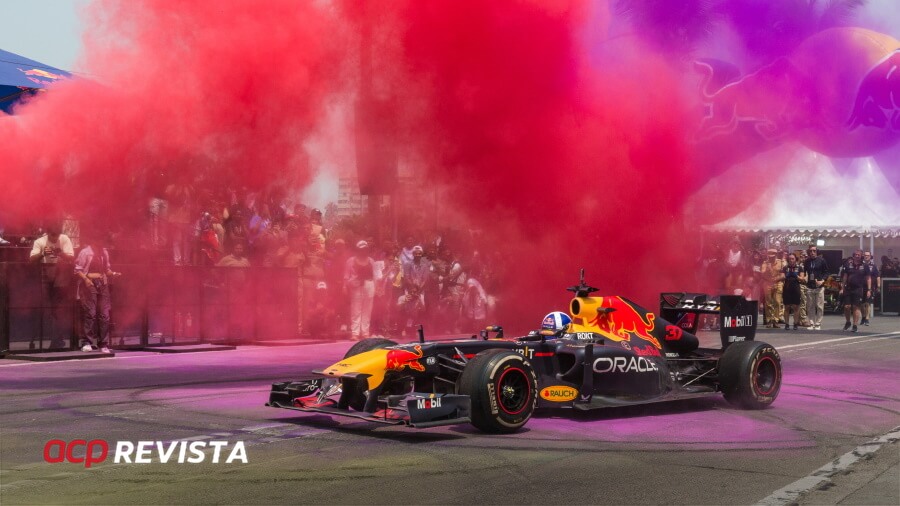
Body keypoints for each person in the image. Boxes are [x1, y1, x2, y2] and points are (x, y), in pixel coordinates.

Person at [30, 223, 76, 349]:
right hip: (46, 273)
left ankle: (57, 339)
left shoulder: (64, 239)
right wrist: (43, 253)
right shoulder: (40, 241)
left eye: (57, 236)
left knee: (58, 309)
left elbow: (71, 257)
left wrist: (60, 253)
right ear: (48, 233)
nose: (55, 239)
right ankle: (52, 338)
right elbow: (32, 259)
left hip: (61, 274)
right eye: (52, 236)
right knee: (48, 309)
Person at [74, 235, 120, 353]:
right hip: (90, 284)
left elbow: (106, 269)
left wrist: (113, 273)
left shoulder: (104, 252)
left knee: (104, 315)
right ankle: (87, 342)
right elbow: (77, 269)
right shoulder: (86, 252)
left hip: (102, 284)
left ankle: (103, 343)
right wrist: (86, 280)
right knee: (90, 313)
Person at [344, 240, 377, 340]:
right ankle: (355, 333)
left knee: (367, 310)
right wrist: (345, 286)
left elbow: (375, 275)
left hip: (369, 285)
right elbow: (346, 275)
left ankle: (365, 332)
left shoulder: (371, 261)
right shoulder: (351, 261)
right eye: (361, 250)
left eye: (365, 249)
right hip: (356, 285)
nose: (363, 251)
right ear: (358, 250)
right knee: (355, 310)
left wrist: (376, 288)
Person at [840, 250, 872, 333]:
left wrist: (869, 290)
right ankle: (848, 322)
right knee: (847, 307)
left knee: (856, 307)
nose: (857, 256)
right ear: (853, 255)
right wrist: (842, 288)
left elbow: (868, 278)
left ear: (861, 256)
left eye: (859, 255)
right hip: (848, 288)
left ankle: (855, 325)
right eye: (855, 254)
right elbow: (845, 276)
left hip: (858, 289)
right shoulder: (848, 264)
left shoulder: (865, 266)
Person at [803, 244, 829, 330]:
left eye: (814, 251)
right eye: (810, 251)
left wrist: (822, 281)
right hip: (810, 286)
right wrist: (805, 278)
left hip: (819, 286)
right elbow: (805, 272)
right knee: (810, 306)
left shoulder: (822, 260)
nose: (812, 252)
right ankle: (811, 323)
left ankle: (818, 323)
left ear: (817, 252)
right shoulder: (807, 261)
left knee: (819, 306)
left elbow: (826, 272)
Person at [779, 253, 805, 330]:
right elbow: (781, 277)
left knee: (796, 307)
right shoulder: (785, 268)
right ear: (788, 260)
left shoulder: (800, 268)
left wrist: (795, 275)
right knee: (786, 307)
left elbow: (802, 278)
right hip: (787, 288)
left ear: (795, 259)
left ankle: (795, 324)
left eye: (792, 258)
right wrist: (785, 276)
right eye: (790, 259)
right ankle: (787, 324)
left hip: (796, 288)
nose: (791, 260)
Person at [760, 248, 785, 328]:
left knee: (777, 302)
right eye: (770, 256)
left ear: (776, 255)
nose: (771, 258)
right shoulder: (765, 263)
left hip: (778, 283)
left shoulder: (781, 262)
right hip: (767, 283)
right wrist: (768, 268)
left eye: (773, 256)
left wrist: (776, 279)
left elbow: (783, 275)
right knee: (768, 303)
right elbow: (762, 273)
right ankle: (769, 320)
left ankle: (776, 320)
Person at [861, 251, 879, 326]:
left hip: (870, 287)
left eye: (868, 255)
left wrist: (878, 286)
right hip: (861, 286)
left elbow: (878, 276)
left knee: (868, 303)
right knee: (862, 303)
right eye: (865, 255)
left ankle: (867, 318)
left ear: (870, 256)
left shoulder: (873, 266)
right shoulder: (860, 265)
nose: (866, 256)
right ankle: (863, 317)